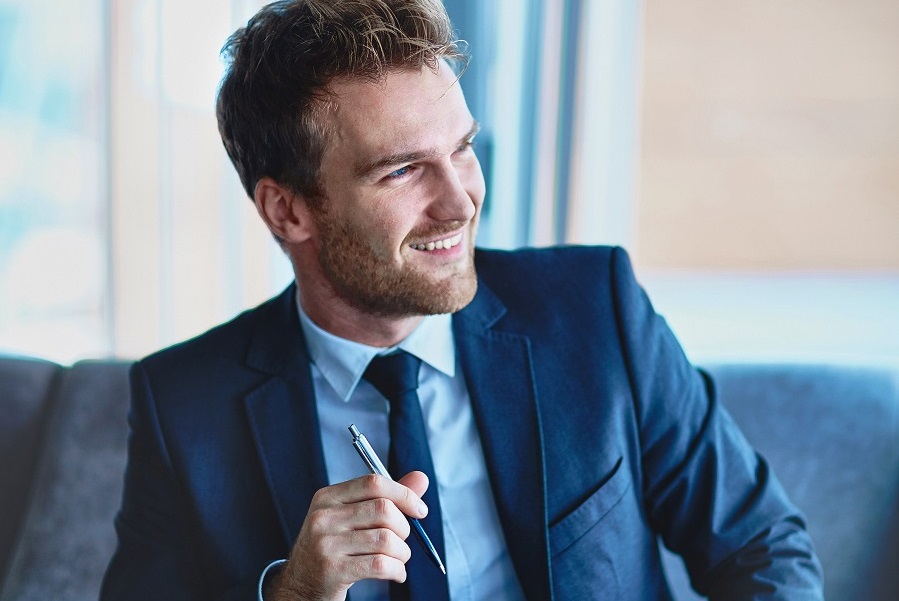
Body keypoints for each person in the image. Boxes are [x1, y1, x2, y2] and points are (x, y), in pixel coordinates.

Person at [100, 1, 824, 600]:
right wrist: (291, 595)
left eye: (463, 150)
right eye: (403, 170)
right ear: (288, 211)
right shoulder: (182, 404)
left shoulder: (594, 310)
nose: (460, 201)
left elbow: (762, 550)